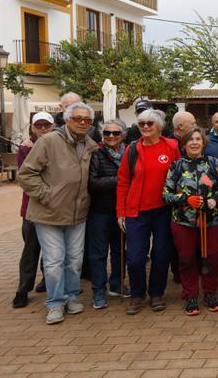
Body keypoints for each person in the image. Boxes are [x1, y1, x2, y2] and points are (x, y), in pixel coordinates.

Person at [17, 103, 98, 324]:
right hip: (48, 213)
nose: (82, 122)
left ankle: (71, 296)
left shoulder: (90, 145)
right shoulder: (49, 141)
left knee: (74, 261)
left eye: (87, 120)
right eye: (77, 118)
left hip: (77, 213)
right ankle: (55, 303)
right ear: (67, 119)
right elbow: (25, 174)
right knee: (53, 262)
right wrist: (47, 195)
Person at [117, 109, 182, 315]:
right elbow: (123, 182)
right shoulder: (132, 149)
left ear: (159, 127)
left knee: (161, 254)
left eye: (149, 124)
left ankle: (156, 293)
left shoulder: (171, 146)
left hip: (164, 210)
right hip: (137, 212)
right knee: (135, 257)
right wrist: (121, 211)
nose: (145, 127)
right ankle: (137, 294)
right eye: (142, 123)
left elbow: (181, 175)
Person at [163, 127, 218, 316]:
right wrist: (184, 199)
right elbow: (166, 195)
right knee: (187, 258)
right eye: (191, 140)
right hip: (184, 221)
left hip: (209, 220)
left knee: (211, 257)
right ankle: (190, 295)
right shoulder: (177, 166)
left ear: (203, 143)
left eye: (198, 139)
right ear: (184, 144)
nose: (195, 143)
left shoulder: (213, 163)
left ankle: (210, 293)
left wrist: (215, 199)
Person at [12, 111, 53, 309]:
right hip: (32, 207)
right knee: (30, 249)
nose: (43, 129)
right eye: (39, 126)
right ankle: (22, 289)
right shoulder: (25, 149)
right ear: (32, 128)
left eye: (46, 125)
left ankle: (47, 279)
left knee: (52, 250)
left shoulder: (57, 146)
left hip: (54, 207)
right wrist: (46, 193)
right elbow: (25, 178)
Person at [87, 119, 129, 309]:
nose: (111, 136)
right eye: (107, 133)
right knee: (98, 253)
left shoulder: (129, 152)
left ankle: (117, 284)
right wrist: (119, 179)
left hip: (122, 210)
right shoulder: (95, 153)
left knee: (120, 250)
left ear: (123, 135)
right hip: (100, 211)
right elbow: (92, 182)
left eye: (115, 133)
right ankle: (98, 290)